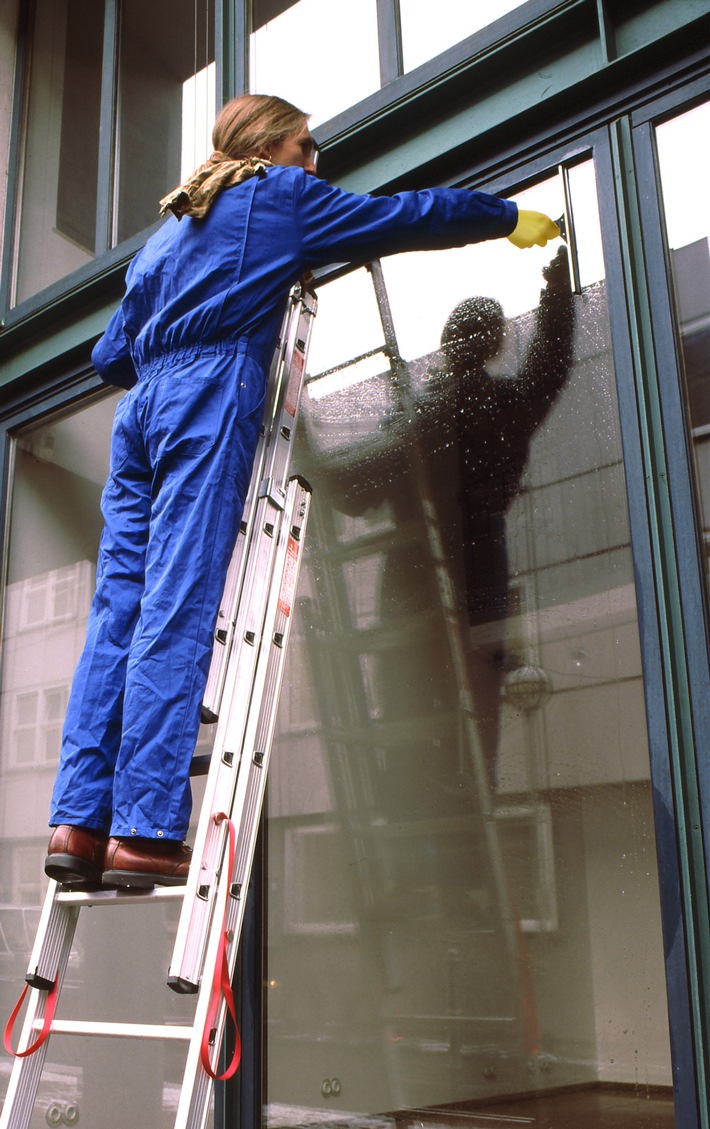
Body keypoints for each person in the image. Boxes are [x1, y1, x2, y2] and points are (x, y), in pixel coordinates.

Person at [44, 93, 560, 891]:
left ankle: (77, 824)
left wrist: (185, 324)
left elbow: (111, 353)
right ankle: (144, 829)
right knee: (178, 602)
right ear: (276, 146)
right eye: (309, 146)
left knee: (120, 608)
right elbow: (404, 216)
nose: (317, 161)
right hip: (204, 395)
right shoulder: (277, 196)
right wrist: (504, 217)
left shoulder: (170, 231)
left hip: (140, 413)